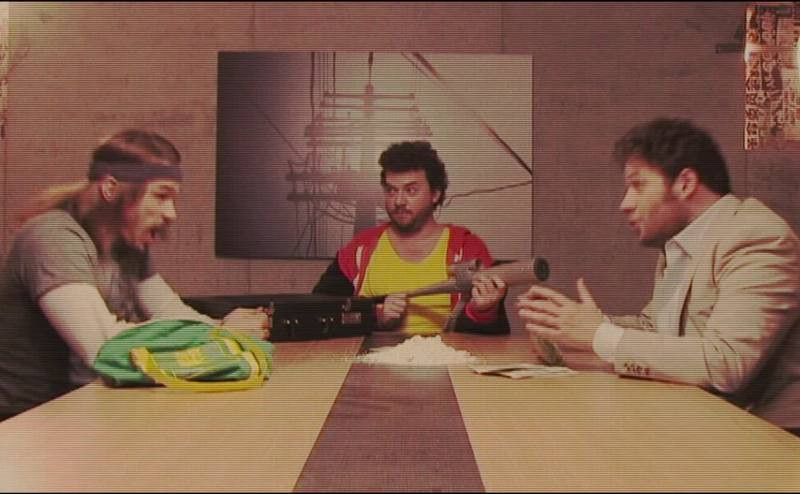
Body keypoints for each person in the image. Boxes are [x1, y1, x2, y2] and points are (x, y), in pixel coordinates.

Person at [517, 118, 800, 434]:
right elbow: (656, 329)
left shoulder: (756, 236)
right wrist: (565, 327)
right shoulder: (681, 244)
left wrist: (598, 334)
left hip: (773, 439)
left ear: (685, 184)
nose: (625, 204)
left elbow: (727, 362)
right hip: (708, 425)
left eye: (638, 185)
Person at [0, 129, 270, 420]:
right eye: (161, 196)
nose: (171, 214)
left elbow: (170, 312)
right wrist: (221, 334)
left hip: (90, 407)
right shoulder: (53, 238)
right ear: (110, 188)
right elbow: (102, 346)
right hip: (33, 422)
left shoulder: (127, 245)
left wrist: (223, 327)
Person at [314, 140, 508, 335]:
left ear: (435, 194)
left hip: (447, 353)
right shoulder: (360, 248)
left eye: (411, 190)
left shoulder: (466, 248)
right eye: (391, 190)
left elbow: (494, 336)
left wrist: (483, 311)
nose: (399, 201)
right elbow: (317, 312)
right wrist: (374, 317)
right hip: (371, 353)